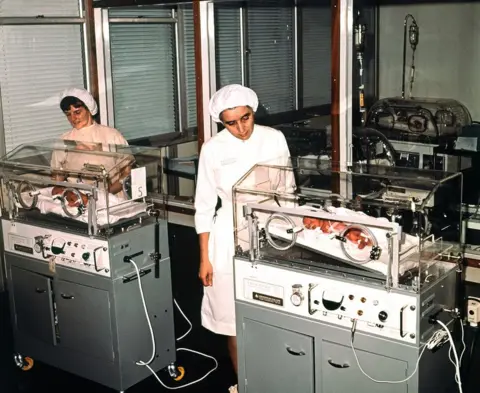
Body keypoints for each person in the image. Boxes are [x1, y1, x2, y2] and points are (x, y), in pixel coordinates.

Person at [194, 84, 291, 391]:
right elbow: (204, 206)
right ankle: (244, 384)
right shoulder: (213, 148)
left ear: (253, 111)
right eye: (230, 123)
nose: (240, 128)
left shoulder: (274, 138)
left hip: (272, 231)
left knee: (275, 308)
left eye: (245, 118)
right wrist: (204, 258)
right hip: (227, 237)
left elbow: (287, 193)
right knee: (232, 320)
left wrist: (293, 237)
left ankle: (279, 380)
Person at [50, 87, 131, 207]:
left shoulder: (112, 135)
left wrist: (103, 196)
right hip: (78, 201)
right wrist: (69, 194)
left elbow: (127, 173)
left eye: (77, 112)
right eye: (68, 114)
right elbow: (57, 178)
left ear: (89, 110)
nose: (73, 118)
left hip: (112, 201)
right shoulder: (64, 140)